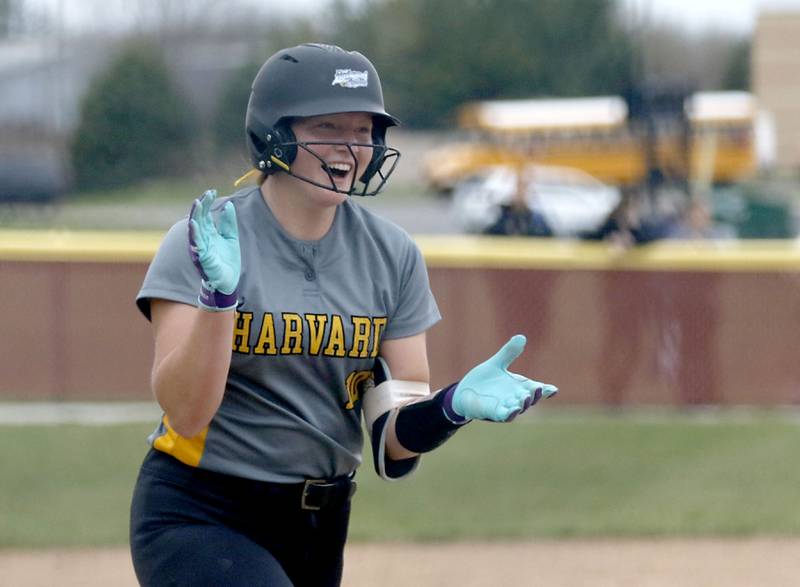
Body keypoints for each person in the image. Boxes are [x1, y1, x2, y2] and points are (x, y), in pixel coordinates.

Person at [129, 43, 558, 587]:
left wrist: (450, 406)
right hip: (201, 510)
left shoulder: (392, 254)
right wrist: (219, 301)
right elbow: (186, 413)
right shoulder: (209, 237)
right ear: (274, 133)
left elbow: (391, 439)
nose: (351, 148)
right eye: (328, 126)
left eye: (364, 131)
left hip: (319, 521)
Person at [483, 167, 552, 236]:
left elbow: (549, 239)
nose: (521, 192)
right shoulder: (498, 218)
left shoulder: (538, 221)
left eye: (524, 187)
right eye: (518, 186)